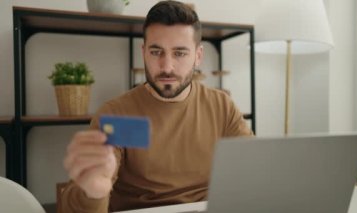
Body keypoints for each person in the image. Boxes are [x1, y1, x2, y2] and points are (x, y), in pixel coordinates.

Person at [62, 1, 253, 212]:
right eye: (156, 52)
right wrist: (94, 191)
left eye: (179, 53)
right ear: (144, 52)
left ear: (198, 56)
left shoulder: (221, 107)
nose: (167, 67)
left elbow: (253, 169)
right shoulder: (119, 116)